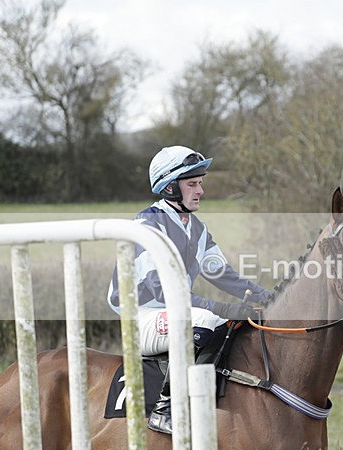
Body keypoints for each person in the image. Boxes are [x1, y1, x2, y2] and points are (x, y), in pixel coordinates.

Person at [108, 145, 271, 434]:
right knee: (209, 321)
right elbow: (163, 293)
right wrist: (221, 308)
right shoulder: (148, 224)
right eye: (192, 184)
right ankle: (164, 408)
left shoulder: (196, 227)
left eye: (200, 183)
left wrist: (266, 295)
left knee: (231, 325)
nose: (200, 190)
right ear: (170, 188)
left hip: (172, 313)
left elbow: (222, 274)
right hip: (142, 318)